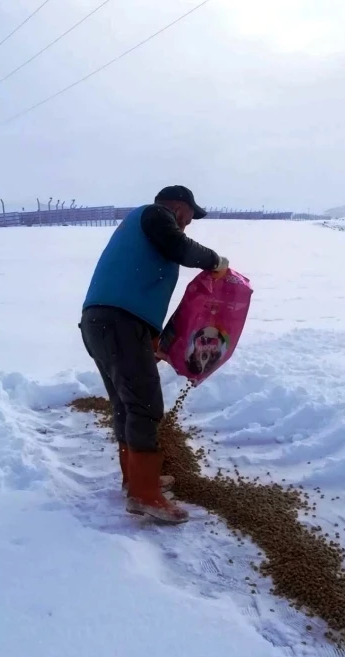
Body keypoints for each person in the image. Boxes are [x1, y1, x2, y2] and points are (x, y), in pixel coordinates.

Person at [80, 186, 228, 524]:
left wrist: (150, 338)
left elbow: (135, 285)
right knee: (144, 405)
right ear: (178, 207)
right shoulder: (155, 215)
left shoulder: (141, 227)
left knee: (126, 403)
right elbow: (180, 248)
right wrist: (215, 261)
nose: (189, 225)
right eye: (190, 216)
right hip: (117, 323)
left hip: (102, 323)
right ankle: (144, 494)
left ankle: (135, 478)